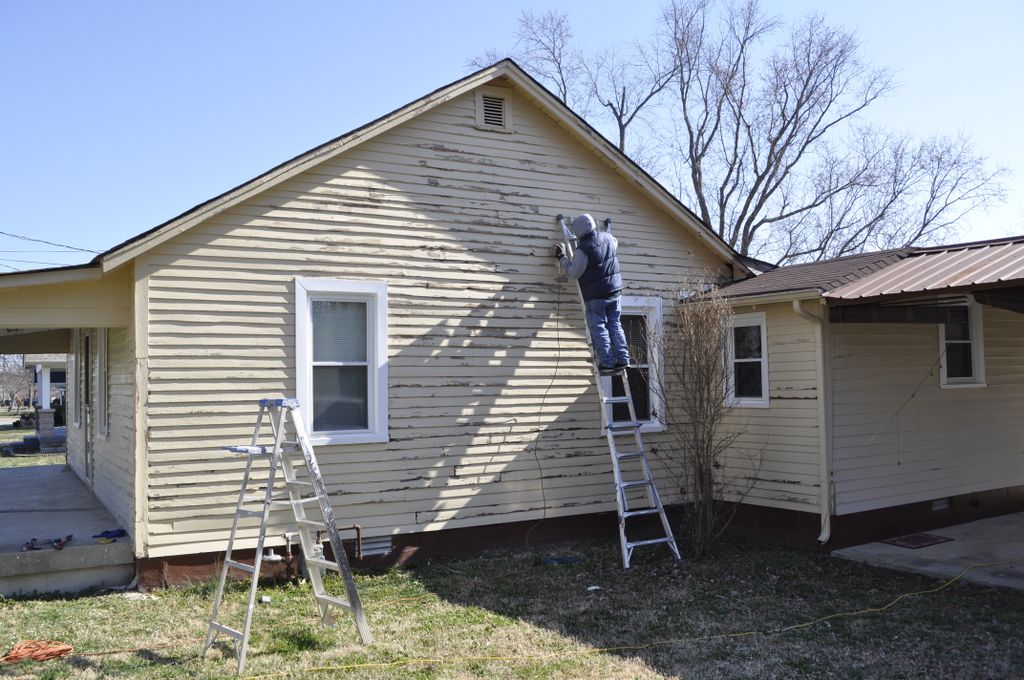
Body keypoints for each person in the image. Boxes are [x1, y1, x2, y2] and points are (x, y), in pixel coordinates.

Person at [554, 214, 631, 374]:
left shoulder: (583, 250)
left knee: (599, 328)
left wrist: (562, 257)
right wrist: (607, 228)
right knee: (615, 324)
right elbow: (612, 245)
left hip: (597, 296)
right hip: (615, 292)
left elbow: (574, 272)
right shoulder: (609, 238)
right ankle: (623, 359)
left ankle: (607, 363)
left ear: (579, 233)